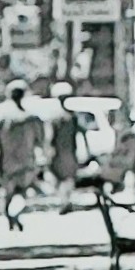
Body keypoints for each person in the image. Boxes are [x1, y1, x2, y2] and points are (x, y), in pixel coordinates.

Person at [0, 80, 42, 231]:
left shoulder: (0, 119)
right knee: (22, 192)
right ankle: (15, 215)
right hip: (26, 161)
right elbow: (39, 140)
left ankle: (9, 215)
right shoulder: (31, 119)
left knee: (8, 193)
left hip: (7, 162)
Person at [49, 81, 81, 215]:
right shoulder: (72, 117)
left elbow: (51, 136)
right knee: (67, 178)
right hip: (68, 151)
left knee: (61, 178)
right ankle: (66, 201)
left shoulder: (56, 117)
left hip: (60, 151)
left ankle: (65, 202)